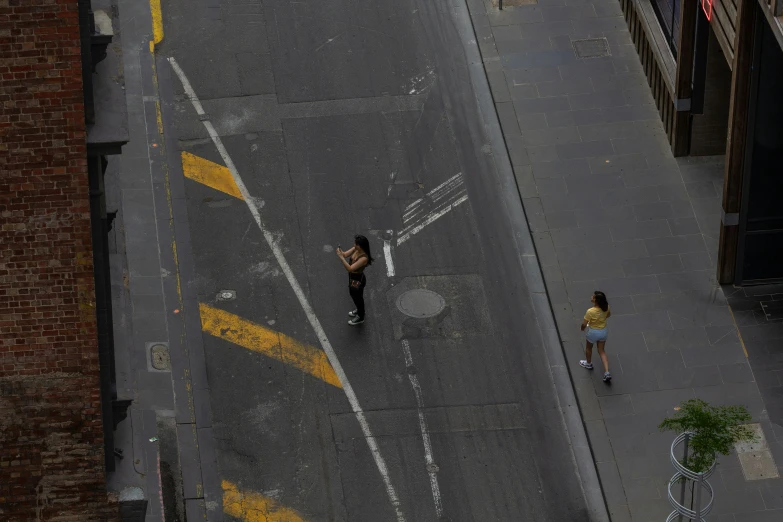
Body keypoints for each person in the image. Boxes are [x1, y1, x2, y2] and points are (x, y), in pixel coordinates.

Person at [336, 235, 374, 326]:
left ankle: (361, 316)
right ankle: (359, 310)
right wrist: (341, 252)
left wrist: (341, 258)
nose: (354, 245)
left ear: (360, 246)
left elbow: (350, 268)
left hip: (358, 280)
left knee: (358, 297)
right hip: (352, 278)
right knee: (353, 295)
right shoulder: (356, 249)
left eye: (356, 244)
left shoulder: (364, 258)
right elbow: (345, 254)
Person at [579, 291, 612, 382]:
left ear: (596, 301)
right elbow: (608, 315)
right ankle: (606, 372)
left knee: (589, 348)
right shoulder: (606, 307)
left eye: (593, 297)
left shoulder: (590, 311)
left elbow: (584, 324)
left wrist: (582, 328)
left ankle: (588, 363)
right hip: (603, 332)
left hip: (593, 332)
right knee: (601, 351)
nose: (591, 297)